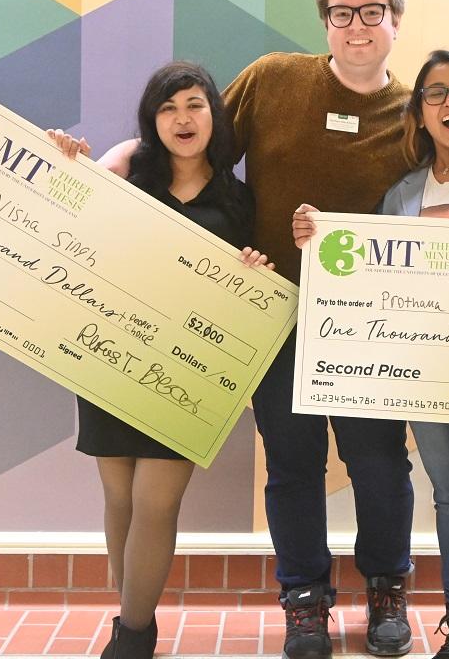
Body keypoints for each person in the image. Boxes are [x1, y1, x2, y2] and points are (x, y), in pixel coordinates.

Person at [293, 50, 449, 659]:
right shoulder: (402, 193)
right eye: (435, 94)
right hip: (427, 374)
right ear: (420, 114)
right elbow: (371, 275)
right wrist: (314, 233)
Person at [224, 0, 417, 659]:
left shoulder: (416, 112)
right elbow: (187, 152)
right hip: (277, 315)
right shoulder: (273, 80)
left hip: (372, 328)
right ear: (325, 22)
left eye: (372, 13)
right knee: (292, 462)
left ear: (396, 21)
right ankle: (304, 599)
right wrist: (108, 162)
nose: (357, 27)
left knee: (379, 462)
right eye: (343, 14)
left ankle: (388, 587)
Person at [46, 60, 273, 659]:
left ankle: (132, 635)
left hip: (188, 371)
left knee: (155, 501)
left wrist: (253, 274)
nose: (182, 118)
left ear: (214, 116)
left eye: (195, 104)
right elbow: (67, 209)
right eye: (169, 108)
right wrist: (59, 156)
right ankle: (133, 618)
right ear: (153, 121)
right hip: (110, 356)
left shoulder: (240, 198)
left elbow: (255, 289)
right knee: (119, 499)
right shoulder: (126, 172)